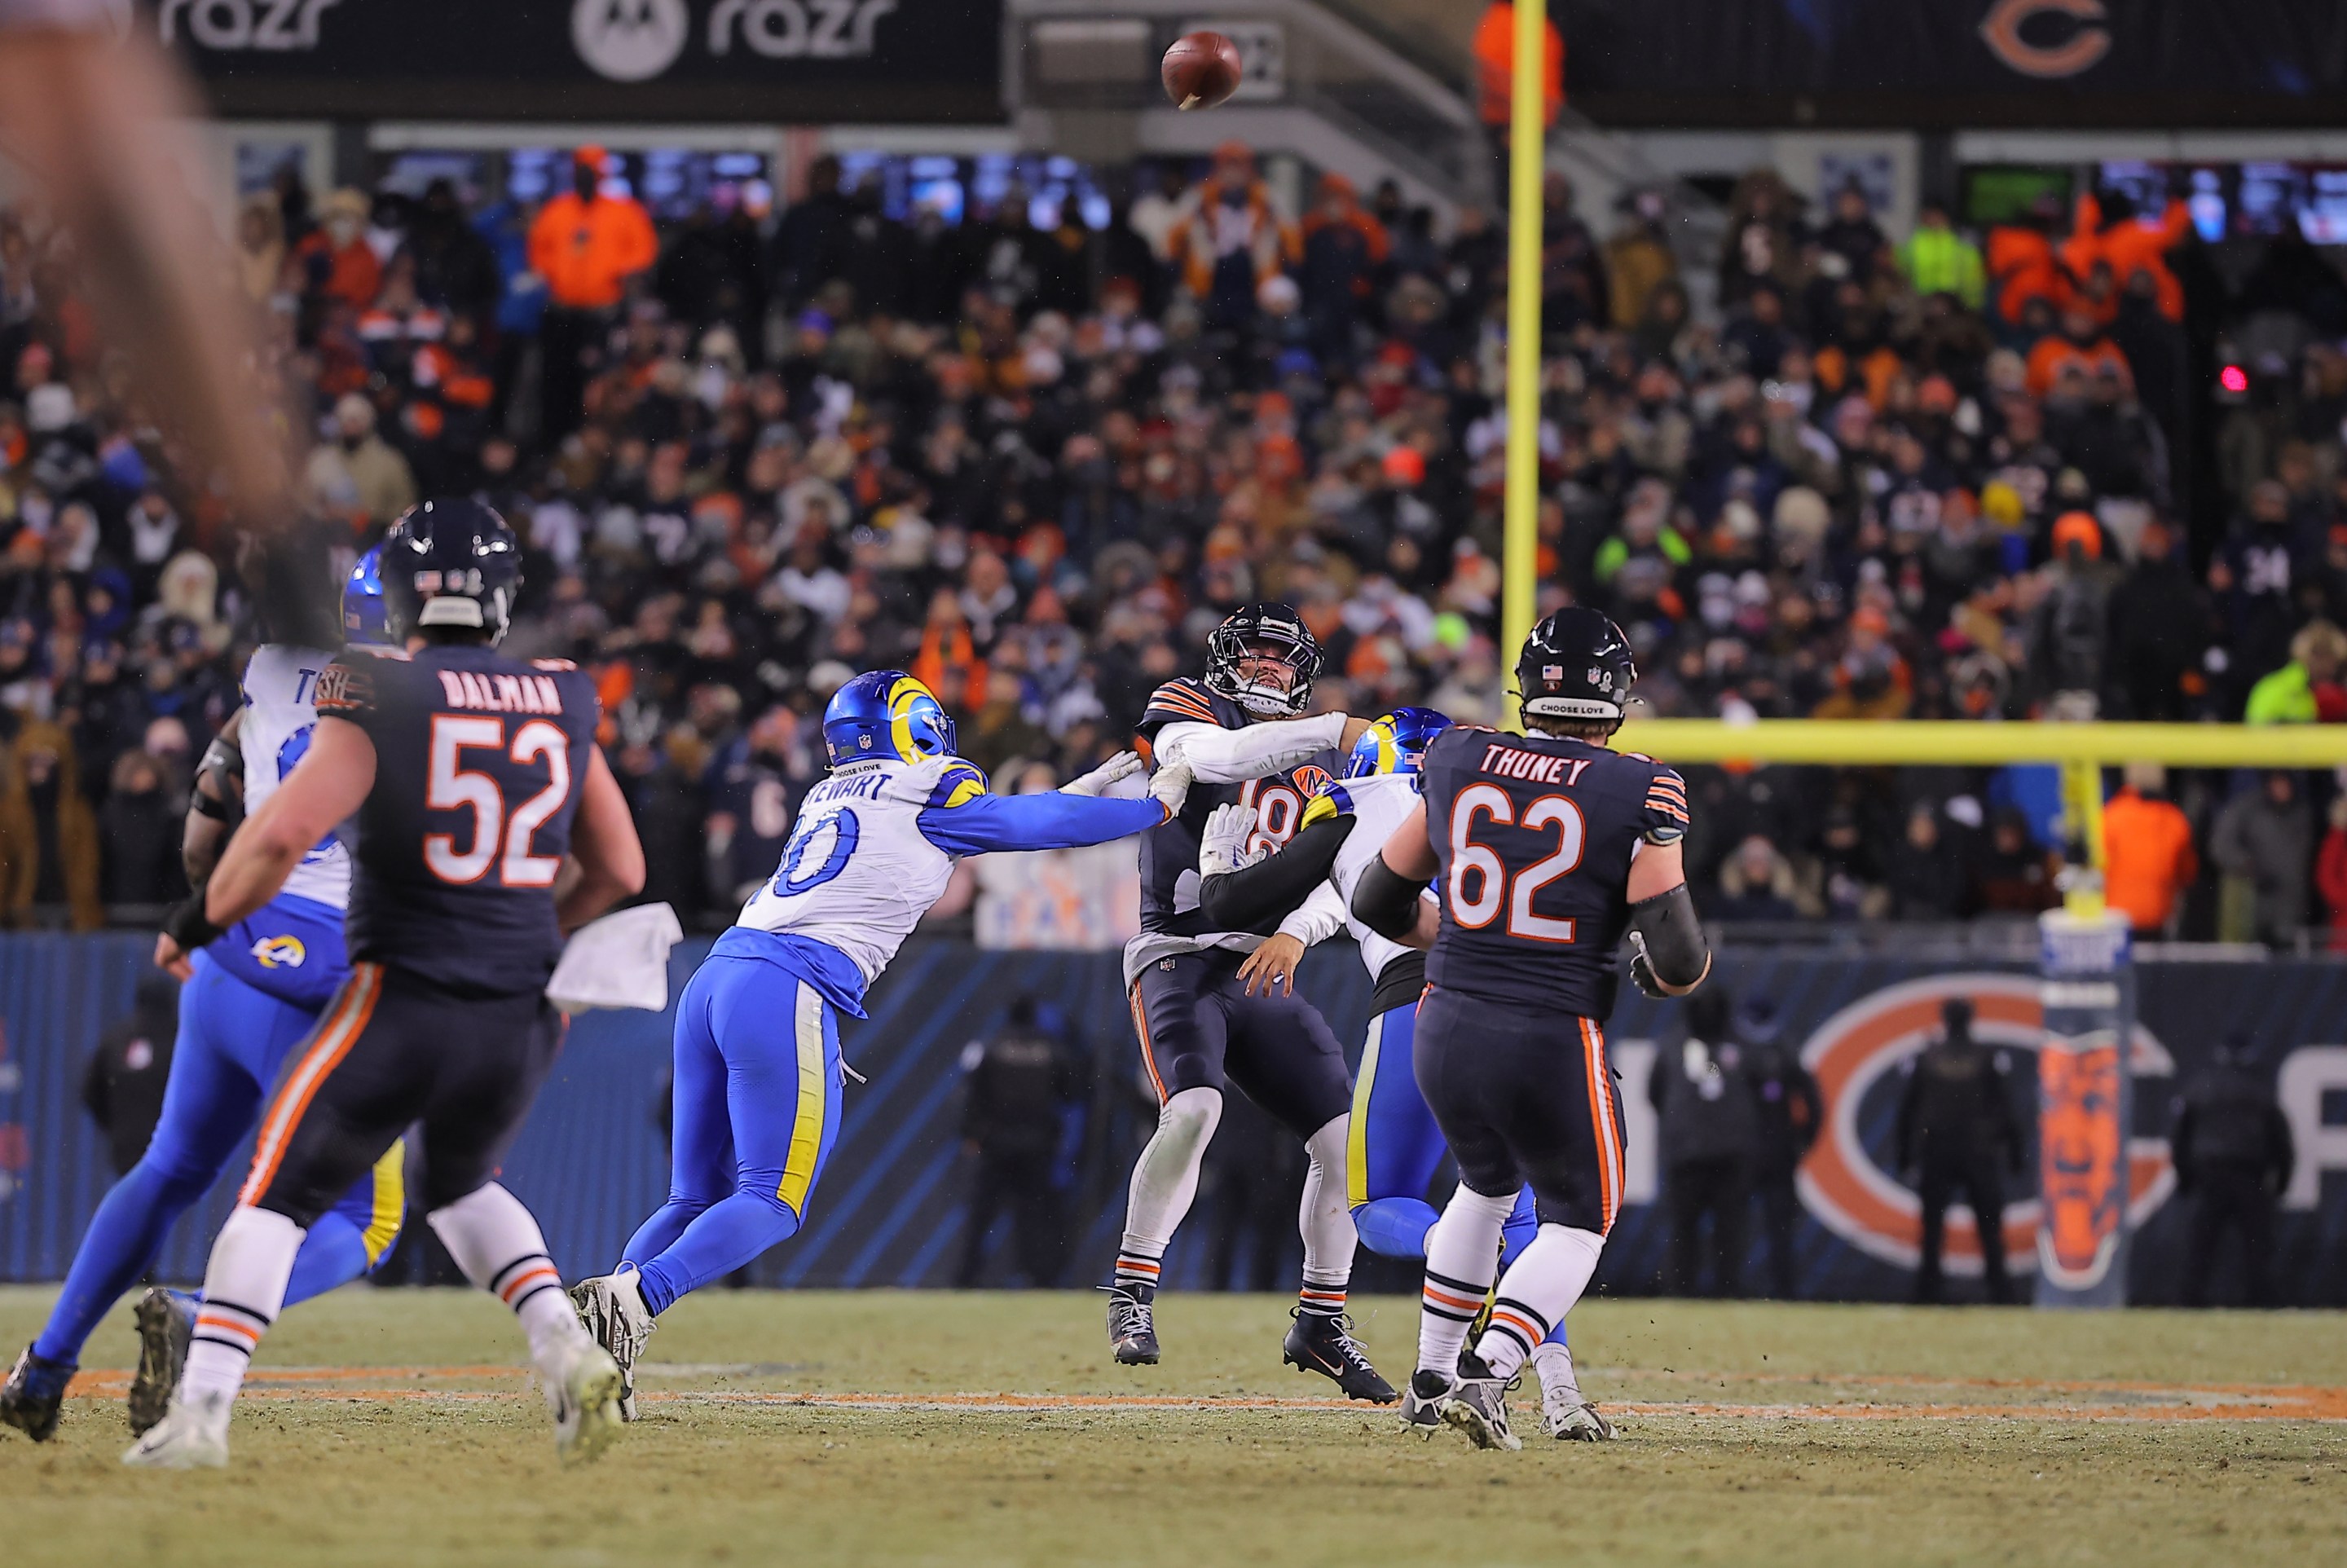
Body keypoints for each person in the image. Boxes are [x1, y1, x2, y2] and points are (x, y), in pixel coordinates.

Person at [121, 500, 647, 1469]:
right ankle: (567, 1351)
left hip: (401, 995)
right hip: (519, 1011)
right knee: (460, 1185)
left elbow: (279, 834)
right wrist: (525, 931)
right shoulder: (561, 694)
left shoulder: (374, 686)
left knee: (275, 1201)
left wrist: (191, 922)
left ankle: (198, 1418)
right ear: (503, 596)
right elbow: (621, 868)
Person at [570, 672, 1187, 1418]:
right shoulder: (930, 784)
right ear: (916, 726)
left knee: (693, 1195)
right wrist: (1152, 806)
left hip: (717, 976)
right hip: (786, 984)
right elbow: (1023, 827)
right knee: (774, 1199)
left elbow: (989, 823)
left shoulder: (831, 793)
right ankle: (638, 1297)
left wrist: (1080, 790)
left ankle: (596, 1356)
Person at [0, 546, 412, 1448]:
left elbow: (205, 822)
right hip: (327, 974)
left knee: (170, 1167)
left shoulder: (269, 670)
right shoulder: (429, 694)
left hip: (230, 953)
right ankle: (197, 1309)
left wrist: (204, 912)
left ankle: (43, 1368)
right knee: (363, 1218)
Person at [1355, 606, 1710, 1450]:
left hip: (1444, 1017)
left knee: (1483, 1187)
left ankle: (1432, 1377)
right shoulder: (1641, 785)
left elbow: (1378, 900)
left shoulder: (1456, 754)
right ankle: (1491, 1366)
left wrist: (1474, 939)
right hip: (1548, 1026)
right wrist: (1646, 971)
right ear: (1618, 692)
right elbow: (1681, 959)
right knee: (1580, 1218)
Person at [1190, 709, 1599, 1438]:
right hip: (1541, 1003)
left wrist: (1220, 863)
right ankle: (1561, 1393)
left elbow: (1240, 901)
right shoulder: (1503, 797)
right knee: (1523, 1213)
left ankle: (1456, 1269)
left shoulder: (1358, 798)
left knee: (1381, 1209)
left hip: (1425, 1000)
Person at [1098, 605, 1387, 1401]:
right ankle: (1132, 1290)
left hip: (1261, 964)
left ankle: (1322, 1321)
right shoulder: (1189, 707)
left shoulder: (1320, 769)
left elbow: (1347, 878)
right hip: (1181, 955)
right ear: (1227, 658)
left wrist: (1295, 935)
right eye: (1256, 655)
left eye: (1282, 660)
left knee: (1343, 1142)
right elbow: (1224, 757)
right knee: (1193, 1109)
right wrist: (1335, 726)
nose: (1267, 669)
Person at [1893, 998, 2024, 1305]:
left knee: (1932, 1231)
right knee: (1990, 1230)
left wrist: (1905, 1156)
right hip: (1979, 1153)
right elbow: (2005, 1110)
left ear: (1944, 1019)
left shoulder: (1928, 1057)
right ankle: (2001, 1293)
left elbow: (1907, 1113)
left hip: (1936, 1152)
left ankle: (1927, 1294)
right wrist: (2015, 1153)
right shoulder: (1986, 1057)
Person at [529, 147, 658, 444]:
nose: (586, 177)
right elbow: (539, 251)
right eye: (582, 170)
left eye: (592, 170)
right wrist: (557, 274)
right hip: (563, 312)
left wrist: (614, 271)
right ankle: (558, 446)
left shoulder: (622, 210)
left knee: (603, 382)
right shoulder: (557, 210)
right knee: (558, 386)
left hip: (604, 313)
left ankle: (602, 445)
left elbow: (643, 251)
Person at [953, 995, 1083, 1288]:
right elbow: (1071, 1092)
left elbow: (973, 1095)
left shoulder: (990, 1046)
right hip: (1038, 1145)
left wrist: (971, 1134)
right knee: (1035, 1215)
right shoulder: (1052, 1049)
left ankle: (966, 1278)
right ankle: (1040, 1278)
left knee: (981, 1216)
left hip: (995, 1143)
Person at [2169, 1033, 2295, 1307]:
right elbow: (2281, 1142)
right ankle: (2260, 1302)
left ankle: (2189, 1302)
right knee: (2257, 1248)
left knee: (2200, 1247)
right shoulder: (2259, 1088)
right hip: (2250, 1177)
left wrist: (2185, 1178)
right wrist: (2282, 1182)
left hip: (2211, 1176)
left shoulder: (2201, 1085)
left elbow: (2180, 1138)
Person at [1650, 988, 1760, 1298]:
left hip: (1726, 1156)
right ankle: (1681, 1290)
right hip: (1691, 1156)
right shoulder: (1676, 1046)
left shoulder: (1738, 1046)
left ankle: (1728, 1290)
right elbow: (1656, 1093)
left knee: (1729, 1229)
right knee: (1685, 1228)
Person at [1740, 996, 1821, 1299]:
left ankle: (1738, 1287)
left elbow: (1812, 1103)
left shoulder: (1739, 1051)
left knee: (1754, 1226)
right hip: (1774, 1151)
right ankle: (1779, 1290)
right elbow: (1814, 1104)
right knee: (1775, 1227)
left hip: (1751, 1153)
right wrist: (1802, 1141)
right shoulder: (1786, 1052)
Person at [81, 974, 180, 1178]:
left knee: (134, 1198)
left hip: (127, 1144)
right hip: (170, 1142)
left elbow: (90, 1092)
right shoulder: (181, 1040)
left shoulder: (116, 1039)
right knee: (167, 1201)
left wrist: (115, 1126)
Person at [2100, 763, 2197, 937]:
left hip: (2115, 919)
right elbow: (2187, 874)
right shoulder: (2174, 820)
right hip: (2157, 918)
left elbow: (2097, 867)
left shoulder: (2111, 817)